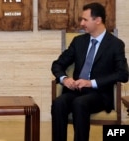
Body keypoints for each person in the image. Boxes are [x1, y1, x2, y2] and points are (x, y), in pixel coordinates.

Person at [51, 2, 128, 141]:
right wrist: (64, 79)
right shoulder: (78, 41)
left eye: (85, 19)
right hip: (75, 91)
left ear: (98, 20)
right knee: (59, 103)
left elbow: (123, 74)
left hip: (99, 94)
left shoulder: (115, 44)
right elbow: (57, 64)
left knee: (79, 103)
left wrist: (90, 83)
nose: (81, 23)